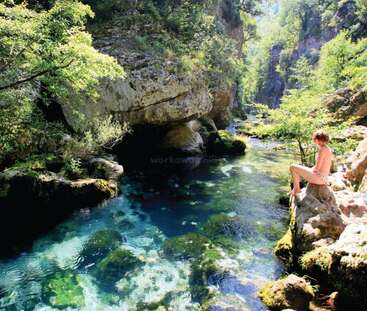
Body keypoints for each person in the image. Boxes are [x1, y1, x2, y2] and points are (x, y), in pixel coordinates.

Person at [290, 130, 333, 196]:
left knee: (292, 167)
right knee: (299, 168)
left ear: (318, 139)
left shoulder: (322, 150)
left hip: (319, 178)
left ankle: (297, 189)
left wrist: (305, 172)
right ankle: (296, 189)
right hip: (323, 178)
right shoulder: (327, 149)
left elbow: (317, 169)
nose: (314, 140)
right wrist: (306, 171)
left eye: (315, 139)